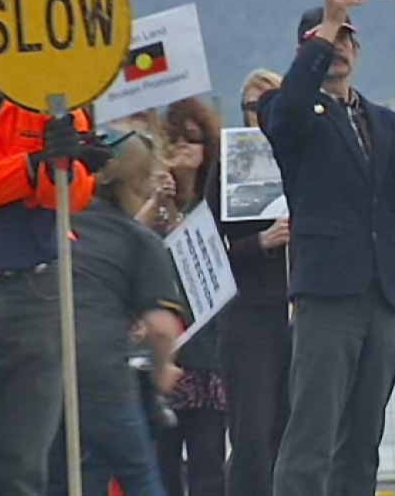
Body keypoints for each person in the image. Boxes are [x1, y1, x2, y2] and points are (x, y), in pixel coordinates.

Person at [257, 0, 395, 496]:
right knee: (312, 432)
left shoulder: (383, 122)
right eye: (326, 39)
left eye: (345, 39)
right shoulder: (286, 109)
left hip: (381, 292)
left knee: (364, 437)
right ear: (307, 51)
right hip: (327, 293)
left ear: (357, 50)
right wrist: (330, 18)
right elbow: (290, 106)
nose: (337, 47)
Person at [46, 127, 183, 496]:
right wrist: (161, 370)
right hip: (102, 371)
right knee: (138, 474)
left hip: (40, 361)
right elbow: (161, 328)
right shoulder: (140, 240)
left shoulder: (56, 221)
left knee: (58, 477)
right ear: (142, 180)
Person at [0, 96, 105, 496]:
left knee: (22, 467)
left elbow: (70, 197)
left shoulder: (49, 88)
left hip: (36, 290)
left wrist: (62, 167)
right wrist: (31, 167)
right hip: (35, 290)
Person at [203, 68, 291, 496]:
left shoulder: (304, 155)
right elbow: (206, 251)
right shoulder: (227, 164)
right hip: (249, 314)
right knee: (251, 433)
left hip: (301, 308)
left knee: (293, 432)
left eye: (269, 104)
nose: (260, 115)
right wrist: (259, 242)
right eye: (251, 108)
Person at [156, 97, 226, 496]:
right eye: (174, 139)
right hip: (161, 355)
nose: (183, 146)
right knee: (160, 466)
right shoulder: (150, 203)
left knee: (208, 465)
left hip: (207, 354)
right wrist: (158, 202)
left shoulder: (214, 207)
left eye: (193, 139)